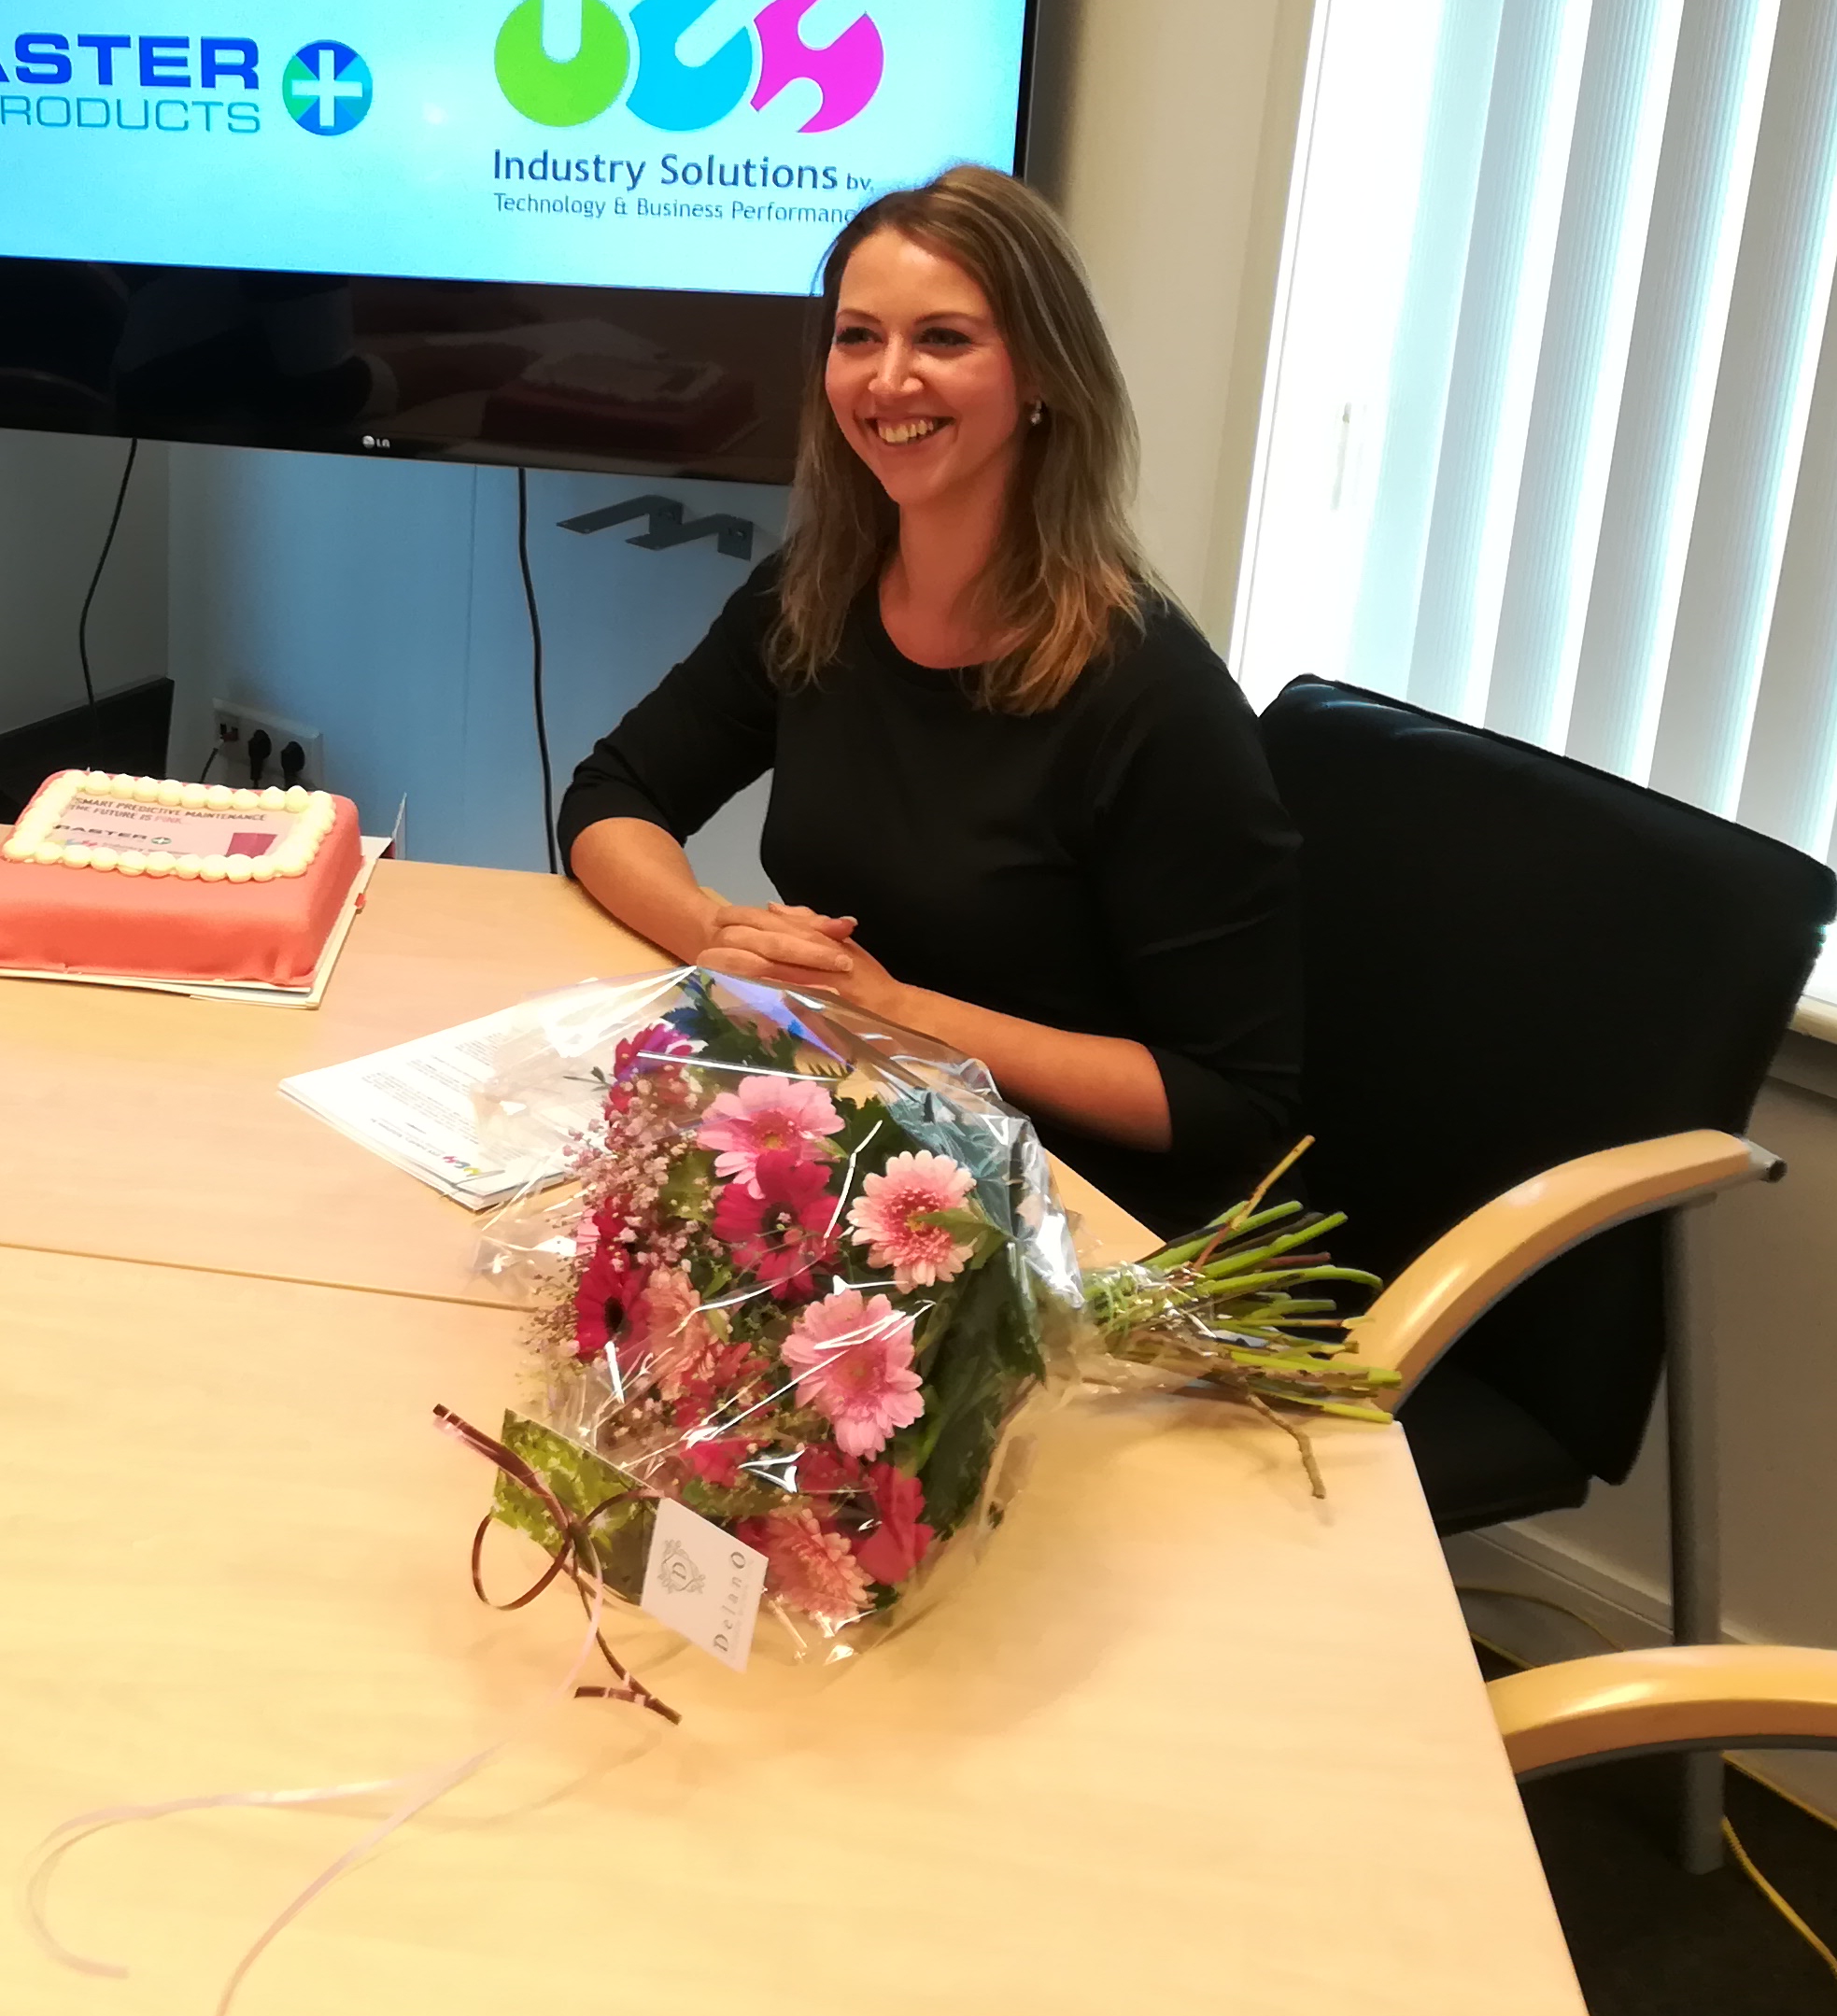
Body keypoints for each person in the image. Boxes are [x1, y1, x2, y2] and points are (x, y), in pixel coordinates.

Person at [557, 164, 1298, 1234]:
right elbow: (611, 794)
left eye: (942, 339)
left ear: (1040, 374)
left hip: (1074, 1221)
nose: (887, 379)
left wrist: (892, 1010)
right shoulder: (813, 597)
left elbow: (1230, 1105)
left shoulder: (1153, 696)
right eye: (856, 337)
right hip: (866, 1147)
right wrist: (722, 934)